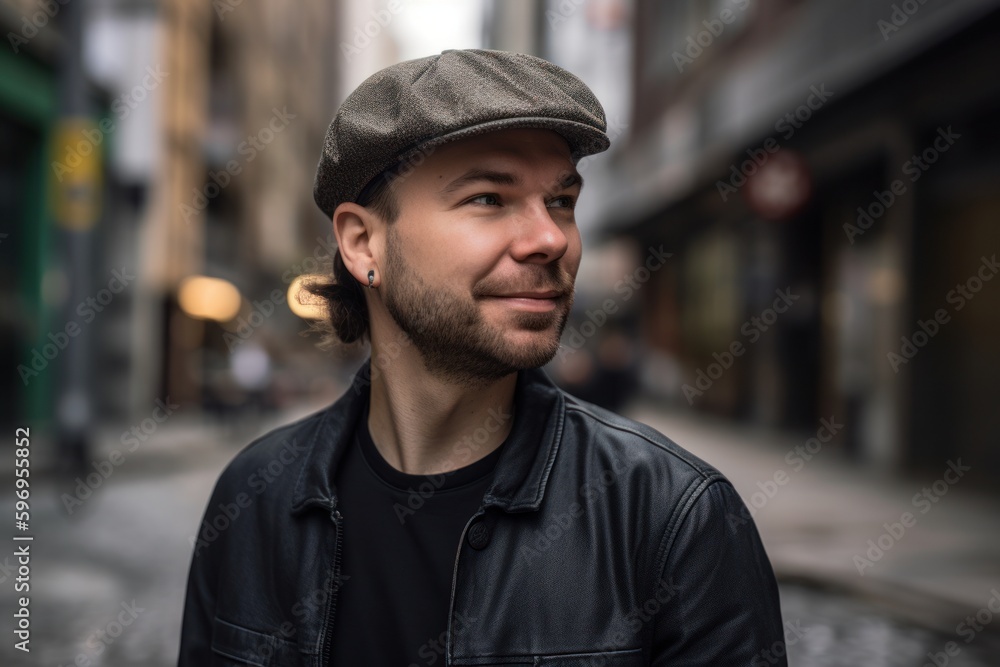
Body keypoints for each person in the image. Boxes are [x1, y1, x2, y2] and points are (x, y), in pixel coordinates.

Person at [178, 48, 787, 666]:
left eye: (561, 202)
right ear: (364, 242)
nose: (551, 239)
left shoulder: (673, 518)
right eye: (489, 199)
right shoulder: (254, 501)